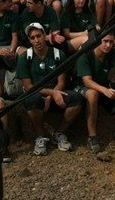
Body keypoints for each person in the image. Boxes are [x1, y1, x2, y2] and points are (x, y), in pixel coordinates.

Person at [17, 22, 84, 156]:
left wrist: (51, 96)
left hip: (56, 93)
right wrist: (51, 93)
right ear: (30, 40)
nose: (36, 40)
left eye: (38, 36)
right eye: (32, 38)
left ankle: (59, 133)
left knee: (77, 98)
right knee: (31, 99)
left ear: (45, 36)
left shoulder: (58, 54)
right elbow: (28, 86)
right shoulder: (25, 57)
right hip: (37, 94)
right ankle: (40, 136)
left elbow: (61, 82)